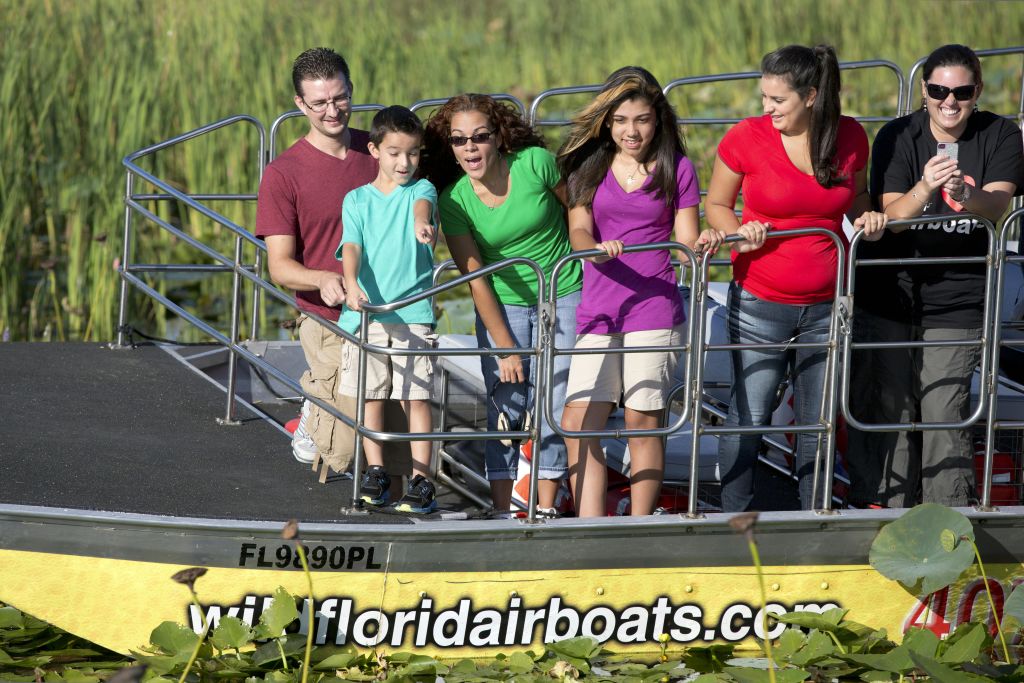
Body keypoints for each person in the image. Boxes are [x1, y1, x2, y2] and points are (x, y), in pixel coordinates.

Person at [704, 44, 888, 512]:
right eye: (763, 97)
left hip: (829, 304)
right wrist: (736, 232)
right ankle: (734, 526)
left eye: (777, 100)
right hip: (760, 303)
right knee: (749, 417)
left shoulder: (850, 136)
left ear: (810, 96)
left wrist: (868, 216)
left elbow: (858, 197)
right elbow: (717, 205)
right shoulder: (746, 136)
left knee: (818, 422)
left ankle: (814, 522)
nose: (767, 109)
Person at [847, 44, 1024, 508]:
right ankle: (883, 520)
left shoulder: (1001, 134)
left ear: (977, 91)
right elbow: (891, 216)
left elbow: (998, 204)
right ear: (923, 91)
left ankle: (948, 530)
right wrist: (926, 186)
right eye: (939, 90)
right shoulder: (897, 134)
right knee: (890, 413)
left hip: (959, 299)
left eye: (961, 91)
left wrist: (966, 192)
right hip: (890, 293)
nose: (950, 101)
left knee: (944, 415)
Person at [555, 67, 724, 517]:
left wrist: (701, 245)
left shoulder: (678, 168)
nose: (632, 131)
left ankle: (638, 525)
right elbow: (578, 231)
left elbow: (686, 241)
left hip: (654, 304)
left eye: (642, 120)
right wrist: (593, 252)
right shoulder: (586, 167)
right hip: (599, 306)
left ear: (658, 120)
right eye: (622, 120)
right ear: (607, 123)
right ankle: (589, 526)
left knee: (641, 420)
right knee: (577, 421)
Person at [422, 94, 583, 515]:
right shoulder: (454, 201)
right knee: (506, 406)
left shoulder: (535, 163)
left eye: (480, 137)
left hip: (563, 291)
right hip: (503, 303)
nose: (470, 148)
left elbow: (581, 214)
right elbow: (476, 280)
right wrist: (506, 346)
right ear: (450, 147)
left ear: (498, 136)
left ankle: (544, 506)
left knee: (553, 400)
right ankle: (501, 511)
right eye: (459, 141)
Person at [257, 48, 408, 484]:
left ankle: (384, 497)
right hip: (329, 320)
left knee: (392, 442)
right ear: (300, 105)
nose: (332, 111)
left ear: (351, 92)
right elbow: (281, 267)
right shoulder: (283, 173)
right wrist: (323, 277)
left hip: (390, 312)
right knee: (342, 451)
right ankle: (313, 411)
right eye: (319, 102)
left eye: (339, 98)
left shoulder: (380, 150)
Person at [337, 106, 440, 513]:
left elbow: (422, 210)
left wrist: (422, 227)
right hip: (368, 315)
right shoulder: (357, 199)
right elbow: (352, 246)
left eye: (413, 153)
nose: (404, 162)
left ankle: (421, 480)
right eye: (395, 152)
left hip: (412, 314)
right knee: (370, 395)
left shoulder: (422, 189)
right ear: (375, 149)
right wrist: (351, 282)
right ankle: (376, 472)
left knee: (417, 398)